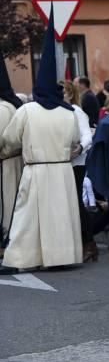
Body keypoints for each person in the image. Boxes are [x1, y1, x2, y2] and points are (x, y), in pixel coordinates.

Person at [1, 15, 81, 273]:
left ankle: (21, 259)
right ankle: (62, 256)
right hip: (62, 170)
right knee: (61, 216)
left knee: (28, 218)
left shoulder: (27, 111)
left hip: (36, 169)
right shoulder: (68, 112)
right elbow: (73, 141)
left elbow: (10, 140)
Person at [61, 81, 95, 262]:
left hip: (77, 163)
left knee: (76, 202)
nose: (62, 95)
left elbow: (87, 135)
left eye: (64, 92)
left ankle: (89, 243)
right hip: (62, 163)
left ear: (71, 94)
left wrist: (80, 148)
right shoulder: (57, 112)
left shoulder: (76, 111)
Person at [0, 56, 23, 254]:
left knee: (6, 204)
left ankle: (5, 242)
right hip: (16, 161)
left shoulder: (2, 108)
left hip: (5, 163)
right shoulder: (15, 105)